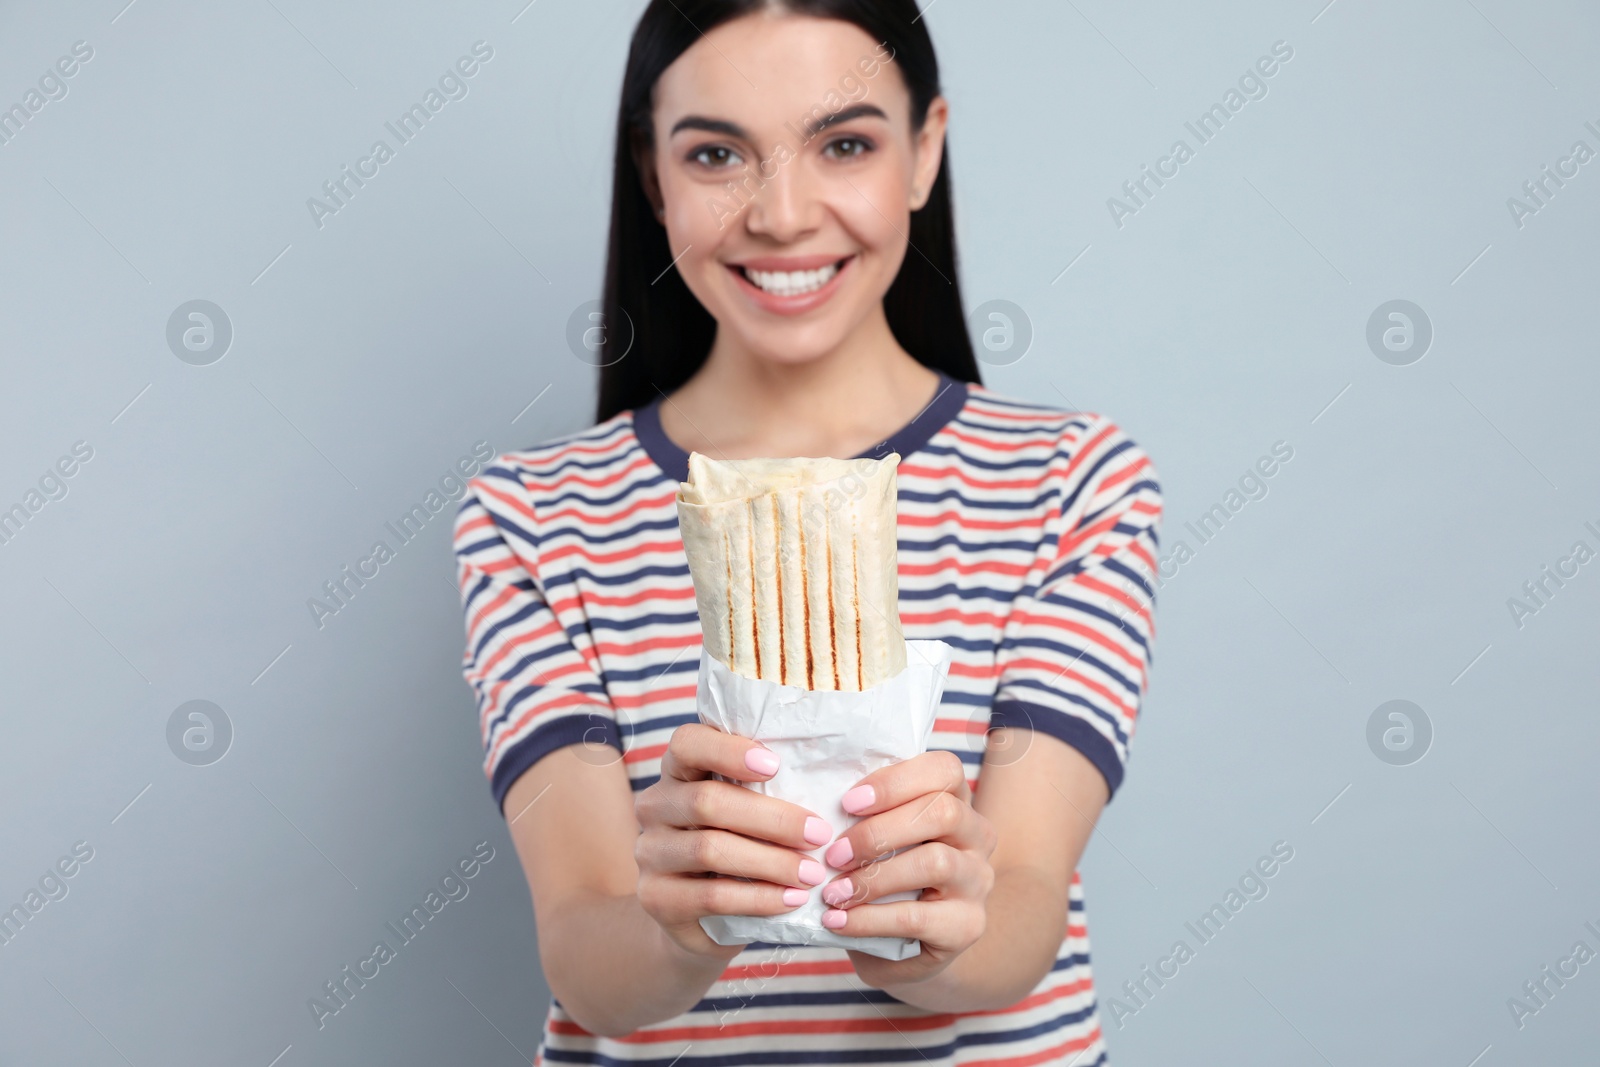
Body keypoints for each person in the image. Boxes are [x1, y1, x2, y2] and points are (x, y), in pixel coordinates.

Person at [451, 1, 1163, 1062]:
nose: (781, 214)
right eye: (716, 153)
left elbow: (1018, 915)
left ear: (924, 151)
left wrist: (926, 926)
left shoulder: (1072, 484)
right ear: (653, 176)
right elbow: (587, 956)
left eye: (844, 143)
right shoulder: (533, 516)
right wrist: (679, 921)